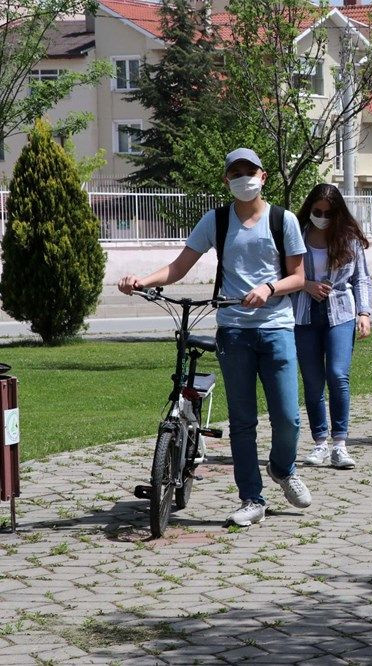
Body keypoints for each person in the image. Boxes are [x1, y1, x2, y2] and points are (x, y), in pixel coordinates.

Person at [118, 148, 312, 528]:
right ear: (226, 179)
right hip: (234, 330)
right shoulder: (217, 220)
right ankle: (251, 499)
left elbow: (299, 277)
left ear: (263, 176)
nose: (243, 178)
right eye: (235, 173)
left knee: (287, 417)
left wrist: (269, 288)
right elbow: (179, 266)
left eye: (249, 171)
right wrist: (142, 280)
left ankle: (283, 467)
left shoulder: (282, 219)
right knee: (241, 421)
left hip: (276, 328)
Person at [293, 184, 372, 470]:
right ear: (309, 208)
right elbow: (284, 274)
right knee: (313, 382)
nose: (322, 217)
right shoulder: (296, 235)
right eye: (317, 211)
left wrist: (364, 313)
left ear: (337, 213)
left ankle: (340, 444)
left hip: (341, 314)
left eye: (328, 213)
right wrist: (307, 285)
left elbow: (361, 278)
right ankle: (320, 443)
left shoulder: (347, 238)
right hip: (303, 315)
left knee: (338, 375)